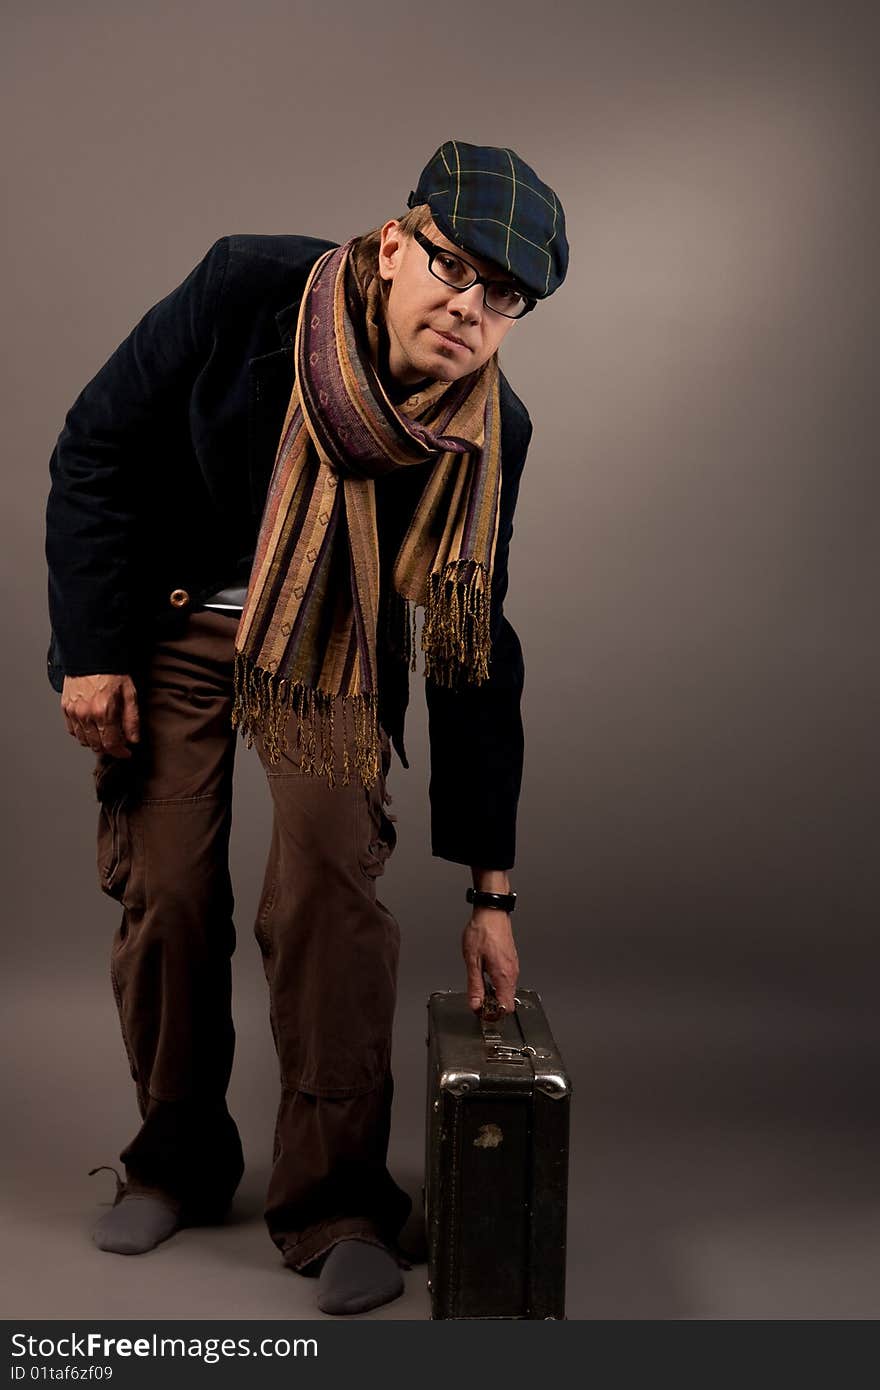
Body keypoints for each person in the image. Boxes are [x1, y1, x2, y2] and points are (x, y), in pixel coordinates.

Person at [45, 140, 569, 1315]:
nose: (470, 308)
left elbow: (474, 651)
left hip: (328, 647)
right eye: (454, 268)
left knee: (327, 887)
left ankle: (333, 1197)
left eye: (505, 298)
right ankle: (177, 1153)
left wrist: (494, 891)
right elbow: (94, 451)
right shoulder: (245, 292)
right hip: (176, 622)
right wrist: (88, 652)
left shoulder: (490, 435)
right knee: (171, 889)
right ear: (395, 244)